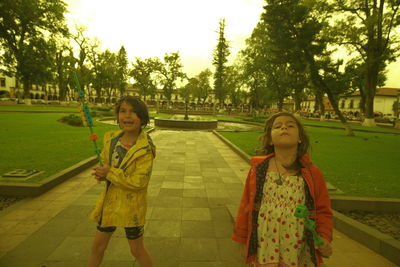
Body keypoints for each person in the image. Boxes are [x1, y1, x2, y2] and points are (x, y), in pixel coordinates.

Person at [232, 112, 333, 267]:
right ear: (271, 139)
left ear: (300, 138)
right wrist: (243, 240)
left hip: (297, 247)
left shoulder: (312, 173)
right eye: (278, 126)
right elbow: (246, 205)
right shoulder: (259, 169)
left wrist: (324, 237)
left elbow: (323, 210)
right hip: (264, 246)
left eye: (290, 125)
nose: (284, 127)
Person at [87, 96, 155, 267]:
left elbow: (138, 182)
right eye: (122, 111)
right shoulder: (111, 139)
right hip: (109, 205)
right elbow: (107, 163)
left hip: (132, 208)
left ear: (142, 118)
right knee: (97, 247)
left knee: (136, 250)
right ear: (117, 116)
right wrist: (102, 174)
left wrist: (110, 173)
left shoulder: (145, 148)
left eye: (133, 112)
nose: (127, 116)